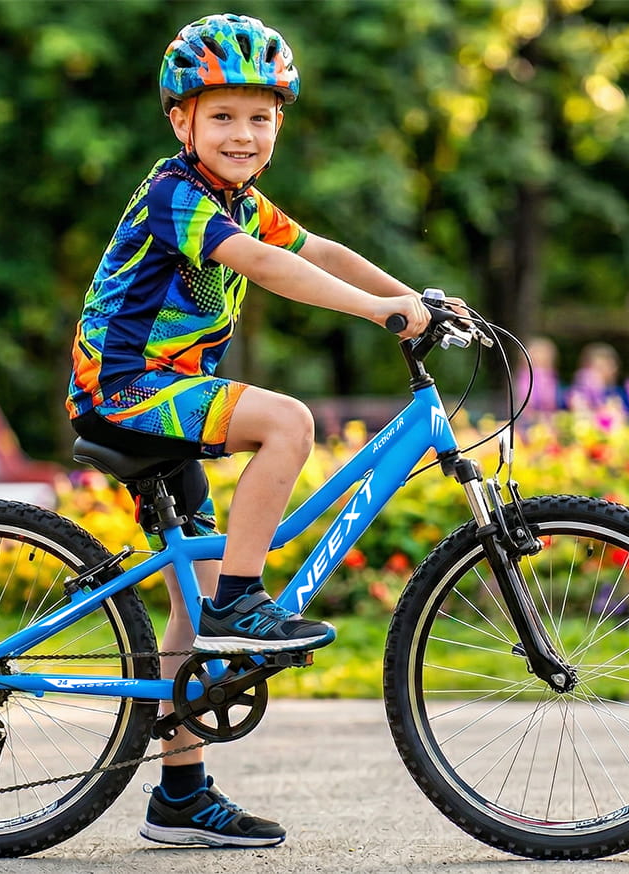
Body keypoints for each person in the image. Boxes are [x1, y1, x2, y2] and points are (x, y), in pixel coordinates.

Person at [65, 13, 435, 848]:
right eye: (223, 115)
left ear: (279, 126)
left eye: (260, 116)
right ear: (181, 122)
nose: (243, 133)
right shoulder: (177, 196)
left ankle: (180, 794)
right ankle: (243, 600)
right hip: (127, 389)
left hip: (170, 395)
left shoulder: (241, 199)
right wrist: (377, 313)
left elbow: (318, 250)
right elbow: (267, 265)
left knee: (187, 606)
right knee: (288, 421)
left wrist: (412, 296)